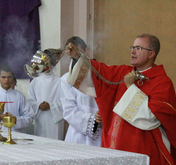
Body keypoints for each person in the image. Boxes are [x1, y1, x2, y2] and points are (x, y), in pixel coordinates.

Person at [65, 35, 176, 165]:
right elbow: (97, 73)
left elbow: (150, 118)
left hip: (142, 146)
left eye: (138, 48)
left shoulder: (162, 82)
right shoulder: (123, 72)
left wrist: (130, 87)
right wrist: (77, 57)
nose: (132, 51)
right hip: (115, 144)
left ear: (151, 54)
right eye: (132, 47)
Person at [61, 72, 102, 146]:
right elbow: (68, 110)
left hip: (103, 131)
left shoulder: (105, 73)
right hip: (78, 133)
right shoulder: (68, 77)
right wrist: (92, 119)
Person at [27, 68, 64, 140]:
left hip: (55, 120)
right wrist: (38, 105)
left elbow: (66, 102)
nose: (47, 67)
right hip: (40, 118)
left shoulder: (60, 81)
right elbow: (30, 101)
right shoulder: (35, 81)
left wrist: (51, 106)